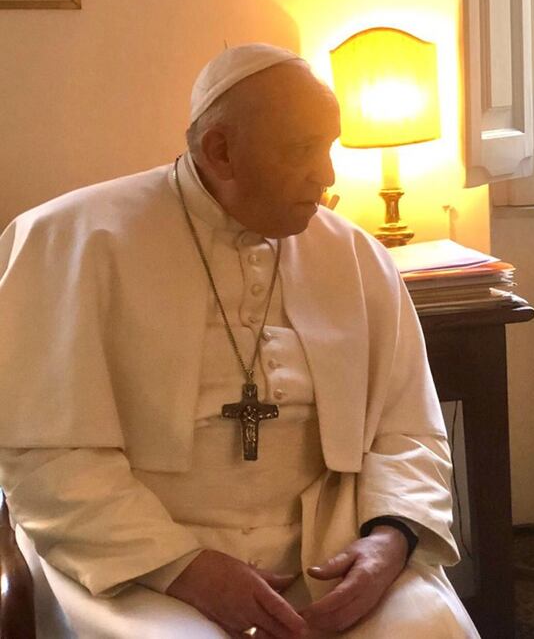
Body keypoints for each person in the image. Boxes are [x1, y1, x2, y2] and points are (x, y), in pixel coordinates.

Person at [0, 44, 479, 638]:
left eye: (329, 147)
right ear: (219, 151)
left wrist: (390, 538)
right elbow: (46, 457)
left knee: (430, 631)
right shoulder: (69, 241)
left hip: (329, 554)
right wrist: (183, 566)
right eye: (302, 149)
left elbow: (409, 428)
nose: (326, 175)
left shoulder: (354, 256)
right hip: (134, 561)